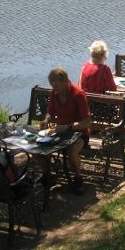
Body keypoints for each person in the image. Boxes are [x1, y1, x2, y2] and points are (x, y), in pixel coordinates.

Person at [39, 67, 90, 195]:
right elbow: (50, 112)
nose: (54, 88)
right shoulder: (55, 93)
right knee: (36, 148)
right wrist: (46, 120)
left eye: (56, 85)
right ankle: (48, 173)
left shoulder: (78, 95)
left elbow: (87, 122)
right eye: (52, 85)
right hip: (61, 132)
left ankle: (78, 178)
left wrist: (68, 126)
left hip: (80, 134)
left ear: (65, 82)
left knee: (71, 151)